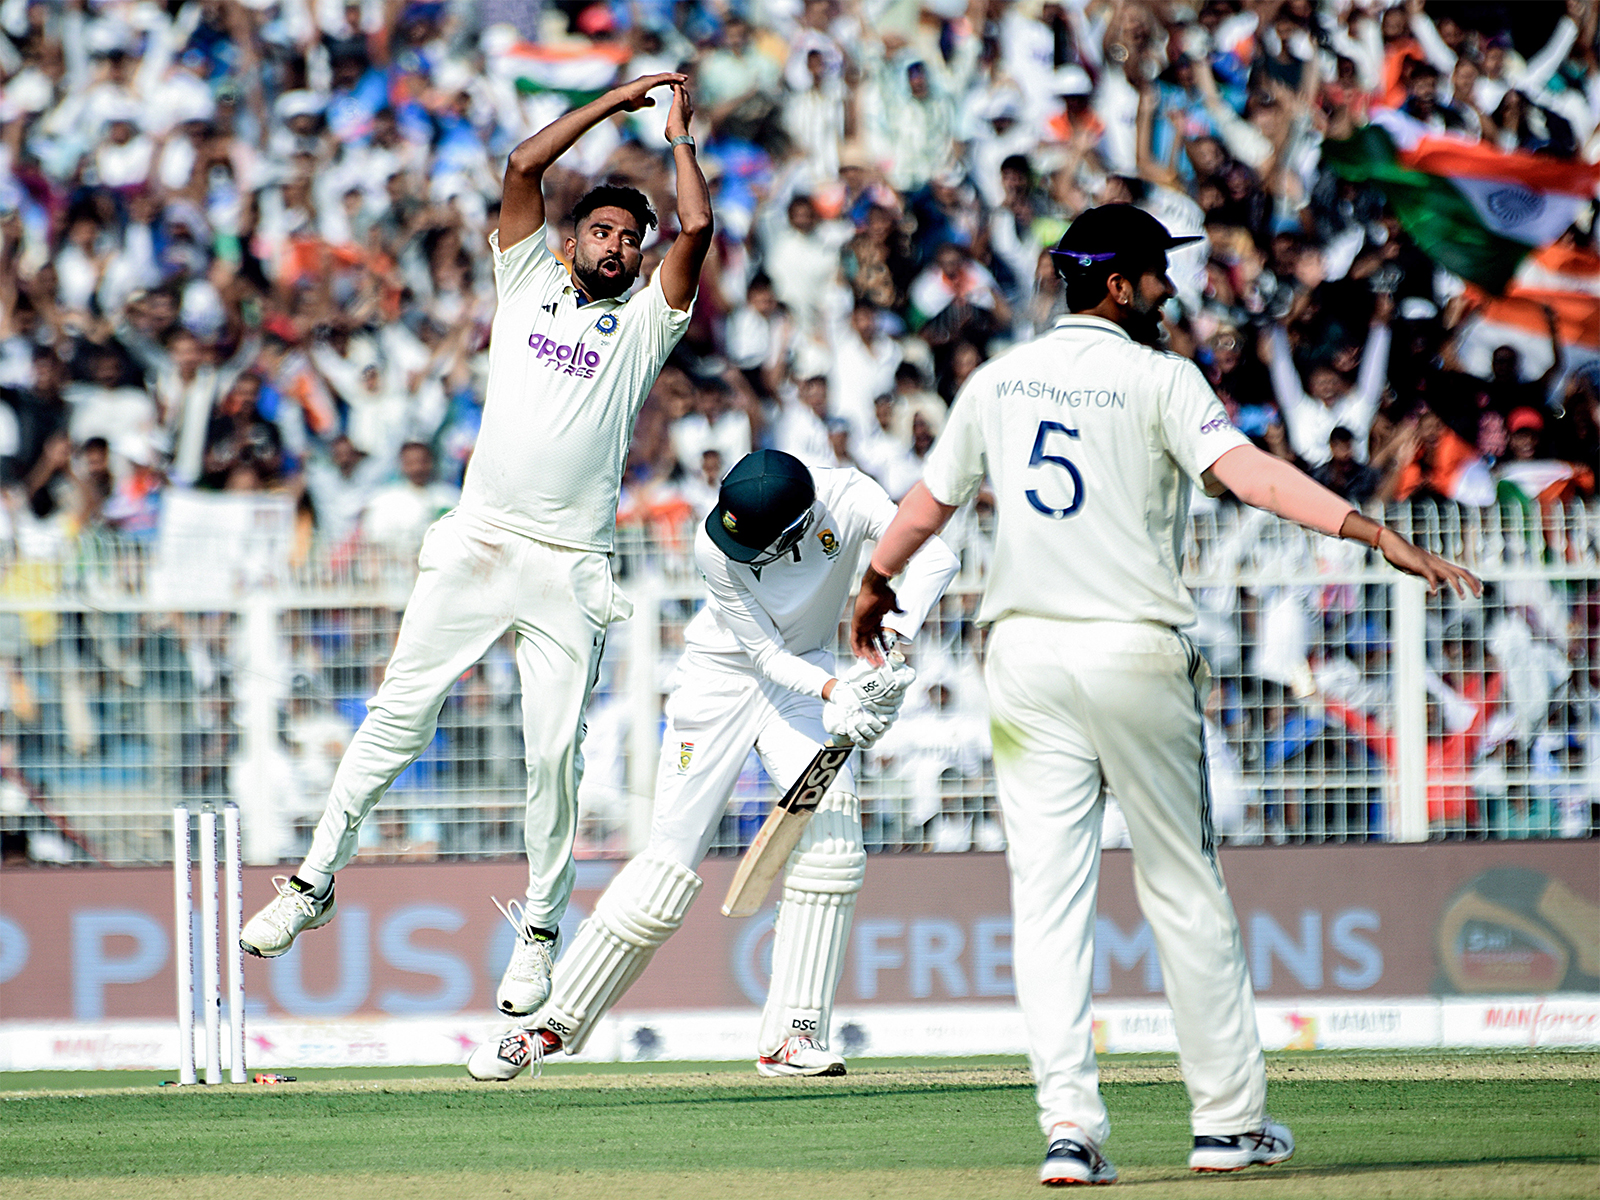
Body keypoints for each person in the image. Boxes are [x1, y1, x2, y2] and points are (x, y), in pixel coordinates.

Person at [850, 205, 1481, 1186]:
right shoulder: (1158, 378)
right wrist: (1368, 531)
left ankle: (1069, 1133)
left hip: (1022, 661)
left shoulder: (997, 382)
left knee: (1045, 907)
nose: (1170, 288)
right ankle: (1227, 1124)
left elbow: (927, 506)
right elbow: (1254, 480)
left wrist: (874, 581)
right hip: (1129, 651)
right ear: (1115, 286)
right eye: (1155, 273)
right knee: (1183, 890)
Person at [240, 75, 714, 1027]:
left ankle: (540, 931)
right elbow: (524, 164)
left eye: (632, 237)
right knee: (395, 719)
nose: (620, 246)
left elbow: (695, 230)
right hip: (479, 542)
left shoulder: (648, 325)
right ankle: (313, 879)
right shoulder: (527, 274)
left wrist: (676, 139)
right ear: (572, 239)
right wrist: (619, 96)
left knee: (551, 758)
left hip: (567, 567)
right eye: (605, 232)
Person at [467, 450, 957, 1081]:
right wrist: (841, 693)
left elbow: (938, 557)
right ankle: (547, 1028)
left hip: (801, 680)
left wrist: (887, 652)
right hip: (722, 682)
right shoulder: (715, 548)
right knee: (668, 869)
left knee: (835, 842)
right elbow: (765, 655)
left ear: (799, 526)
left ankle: (793, 1035)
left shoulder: (849, 497)